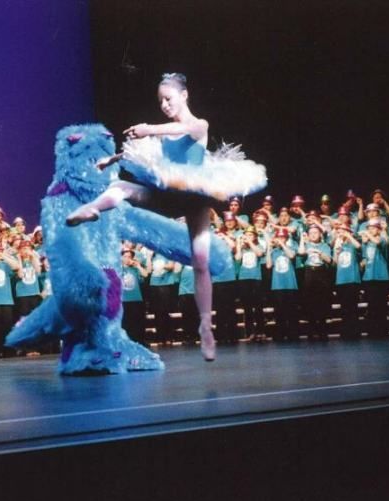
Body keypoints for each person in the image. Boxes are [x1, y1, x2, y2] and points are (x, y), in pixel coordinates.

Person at [65, 72, 266, 361]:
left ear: (184, 95)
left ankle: (206, 327)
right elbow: (153, 150)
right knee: (121, 186)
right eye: (160, 101)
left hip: (196, 197)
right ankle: (92, 208)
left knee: (200, 262)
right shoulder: (165, 132)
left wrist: (148, 128)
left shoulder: (199, 125)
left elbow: (186, 130)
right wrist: (113, 159)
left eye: (168, 99)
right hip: (169, 195)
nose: (164, 105)